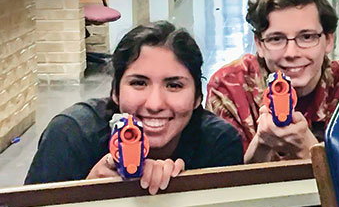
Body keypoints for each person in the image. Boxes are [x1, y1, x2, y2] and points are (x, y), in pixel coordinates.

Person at [25, 22, 244, 192]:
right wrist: (86, 194)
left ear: (198, 97)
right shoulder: (71, 136)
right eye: (139, 83)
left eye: (174, 85)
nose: (155, 104)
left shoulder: (219, 144)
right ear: (115, 92)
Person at [206, 0, 339, 163]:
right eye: (276, 39)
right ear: (259, 45)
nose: (292, 53)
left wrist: (310, 151)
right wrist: (261, 144)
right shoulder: (229, 88)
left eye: (307, 37)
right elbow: (226, 182)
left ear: (329, 40)